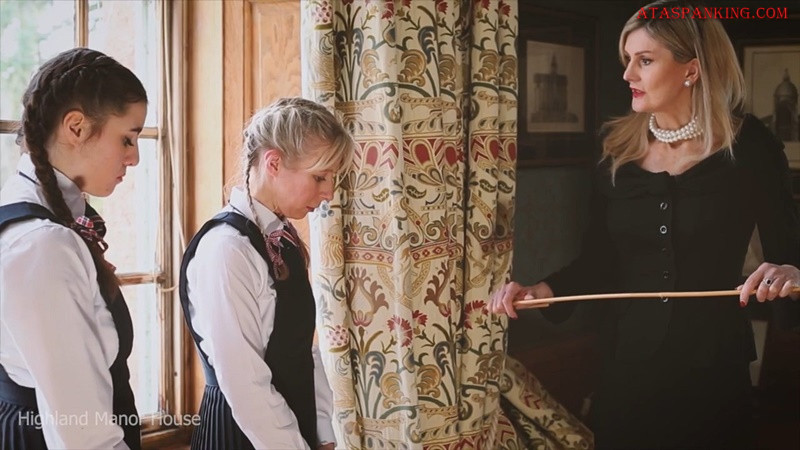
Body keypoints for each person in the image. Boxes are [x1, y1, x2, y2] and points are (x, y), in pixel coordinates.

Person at [491, 1, 800, 448]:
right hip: (627, 368)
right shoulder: (615, 148)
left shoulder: (750, 147)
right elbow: (599, 259)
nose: (628, 75)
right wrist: (547, 290)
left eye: (645, 60)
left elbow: (788, 251)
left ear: (691, 69)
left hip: (714, 372)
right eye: (627, 60)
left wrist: (789, 272)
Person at [180, 97, 354, 449]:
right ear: (273, 162)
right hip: (241, 435)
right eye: (320, 177)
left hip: (292, 431)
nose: (329, 193)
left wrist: (323, 432)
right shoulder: (227, 249)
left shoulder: (283, 239)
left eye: (332, 179)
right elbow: (244, 381)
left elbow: (302, 349)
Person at [0, 48, 147, 449]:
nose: (134, 157)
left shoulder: (47, 222)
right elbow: (84, 435)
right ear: (76, 127)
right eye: (127, 138)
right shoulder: (42, 246)